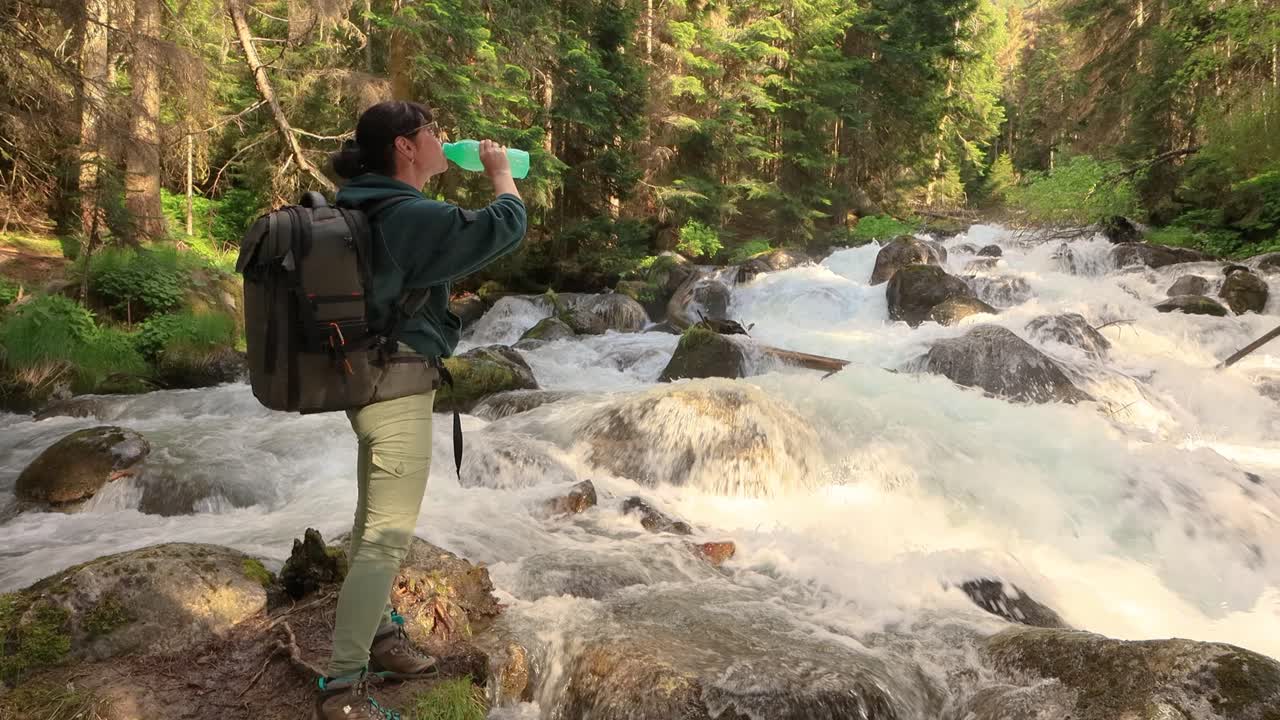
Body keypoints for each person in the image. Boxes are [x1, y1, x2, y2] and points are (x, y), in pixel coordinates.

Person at [314, 100, 526, 719]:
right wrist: (500, 172)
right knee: (383, 540)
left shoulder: (361, 200)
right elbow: (503, 227)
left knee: (368, 523)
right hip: (395, 385)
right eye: (434, 132)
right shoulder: (408, 214)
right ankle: (343, 688)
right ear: (407, 146)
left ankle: (379, 638)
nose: (443, 140)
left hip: (363, 378)